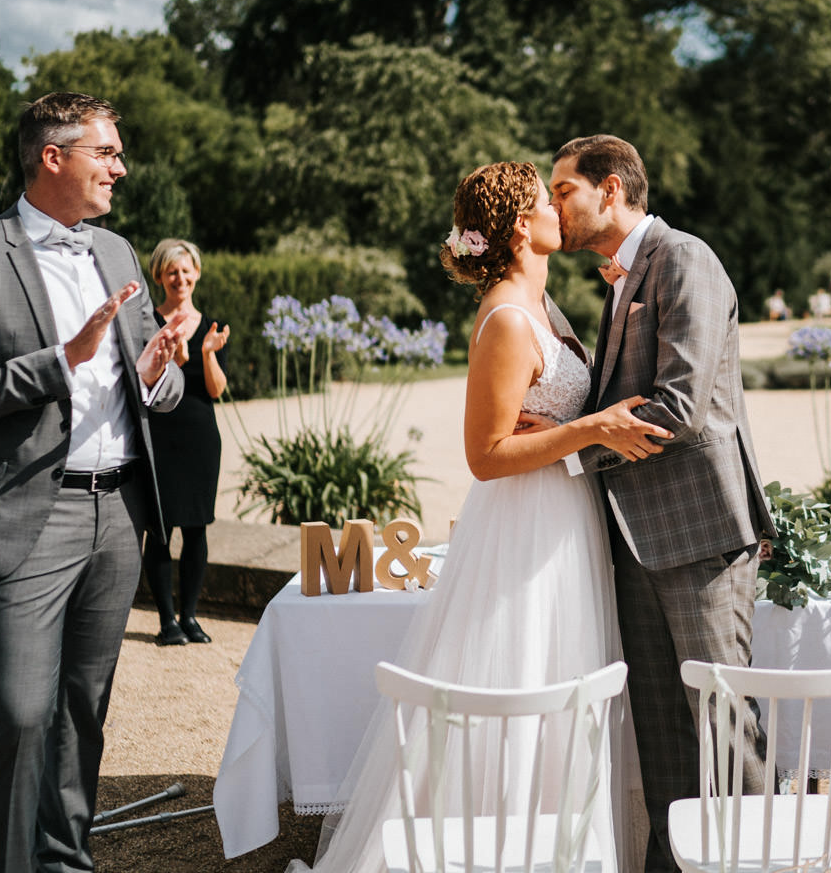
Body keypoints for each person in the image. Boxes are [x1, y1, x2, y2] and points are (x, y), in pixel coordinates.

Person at [306, 161, 667, 873]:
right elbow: (486, 454)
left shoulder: (547, 309)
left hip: (566, 520)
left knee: (567, 689)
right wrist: (591, 428)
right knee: (522, 673)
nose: (560, 213)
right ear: (514, 228)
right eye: (545, 202)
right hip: (525, 525)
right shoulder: (506, 317)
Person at [0, 91, 186, 872]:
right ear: (53, 156)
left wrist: (158, 371)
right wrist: (60, 361)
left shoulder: (119, 252)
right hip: (27, 514)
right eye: (107, 152)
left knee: (82, 714)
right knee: (19, 714)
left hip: (119, 513)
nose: (121, 168)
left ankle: (67, 863)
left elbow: (148, 390)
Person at [549, 134, 776, 872]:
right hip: (635, 540)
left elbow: (677, 407)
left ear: (610, 189)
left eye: (564, 191)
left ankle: (755, 862)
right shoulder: (620, 280)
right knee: (663, 741)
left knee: (725, 728)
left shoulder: (683, 258)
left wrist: (570, 446)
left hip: (698, 534)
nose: (556, 207)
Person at [143, 238, 231, 645]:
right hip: (157, 433)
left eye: (186, 270)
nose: (180, 278)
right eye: (171, 271)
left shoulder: (212, 324)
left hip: (199, 437)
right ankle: (166, 622)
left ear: (196, 274)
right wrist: (170, 358)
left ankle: (191, 617)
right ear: (159, 275)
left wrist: (206, 353)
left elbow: (215, 391)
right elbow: (142, 378)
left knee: (196, 529)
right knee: (159, 529)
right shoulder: (145, 320)